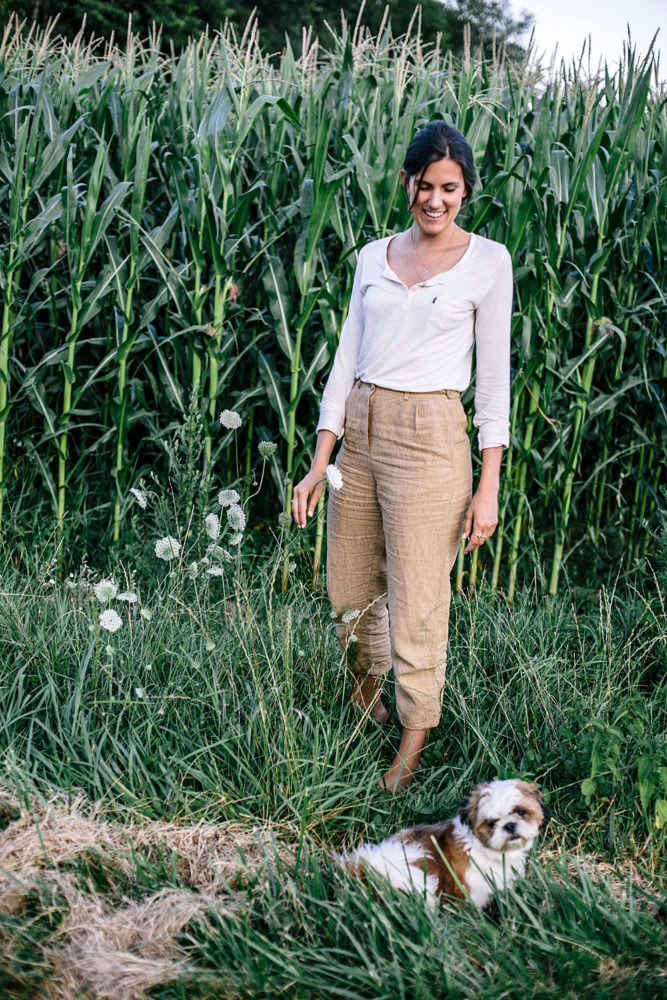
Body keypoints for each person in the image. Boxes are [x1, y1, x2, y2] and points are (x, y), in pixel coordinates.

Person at [292, 121, 513, 793]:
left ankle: (410, 745)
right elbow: (345, 360)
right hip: (359, 429)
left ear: (466, 191)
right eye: (425, 185)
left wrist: (488, 486)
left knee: (418, 603)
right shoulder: (372, 257)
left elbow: (494, 379)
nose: (435, 200)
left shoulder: (488, 262)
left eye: (449, 188)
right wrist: (318, 459)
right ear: (405, 183)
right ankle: (368, 699)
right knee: (349, 597)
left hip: (431, 436)